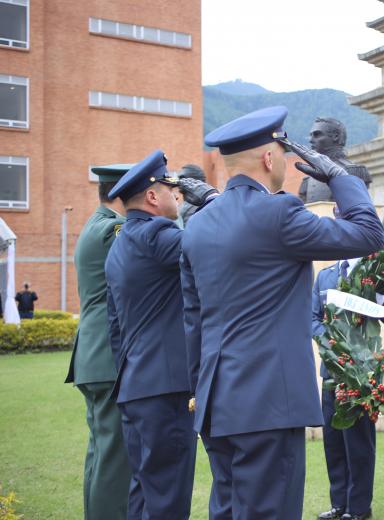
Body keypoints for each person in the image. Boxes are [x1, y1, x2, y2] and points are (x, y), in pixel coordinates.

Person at [181, 105, 384, 519]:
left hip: (215, 399)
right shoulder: (279, 213)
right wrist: (341, 178)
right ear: (270, 157)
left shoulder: (198, 225)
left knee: (229, 509)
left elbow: (193, 319)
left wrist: (197, 388)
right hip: (268, 403)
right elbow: (368, 234)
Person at [105, 149, 218, 519]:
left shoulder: (122, 242)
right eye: (172, 188)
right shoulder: (157, 233)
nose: (178, 195)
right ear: (153, 196)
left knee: (144, 493)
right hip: (165, 390)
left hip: (135, 386)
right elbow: (211, 245)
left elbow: (115, 328)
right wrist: (214, 201)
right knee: (168, 497)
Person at [65, 163, 132, 519]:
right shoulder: (114, 230)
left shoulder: (95, 225)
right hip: (107, 355)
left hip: (92, 355)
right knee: (113, 460)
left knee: (100, 453)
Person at [313, 259, 384, 520]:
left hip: (363, 377)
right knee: (333, 442)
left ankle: (359, 509)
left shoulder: (377, 274)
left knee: (359, 445)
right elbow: (313, 318)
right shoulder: (326, 275)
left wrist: (378, 297)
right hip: (331, 372)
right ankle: (339, 504)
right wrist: (333, 344)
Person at [298, 117, 372, 203]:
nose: (311, 140)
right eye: (311, 135)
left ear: (335, 136)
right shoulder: (308, 179)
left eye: (317, 134)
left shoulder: (353, 171)